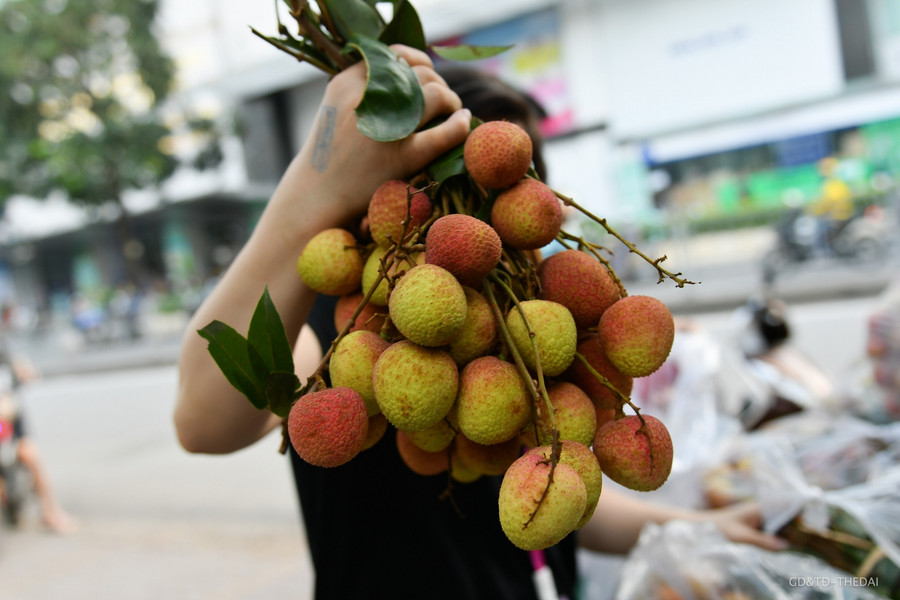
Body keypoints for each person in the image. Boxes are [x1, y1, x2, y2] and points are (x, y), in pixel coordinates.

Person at [174, 46, 784, 599]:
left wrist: (702, 528)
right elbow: (203, 423)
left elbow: (551, 495)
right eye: (522, 179)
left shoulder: (534, 329)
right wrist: (317, 184)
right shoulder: (340, 332)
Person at [0, 327, 77, 533]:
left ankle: (51, 513)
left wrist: (26, 372)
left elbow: (19, 367)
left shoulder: (3, 345)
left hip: (9, 419)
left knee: (31, 454)